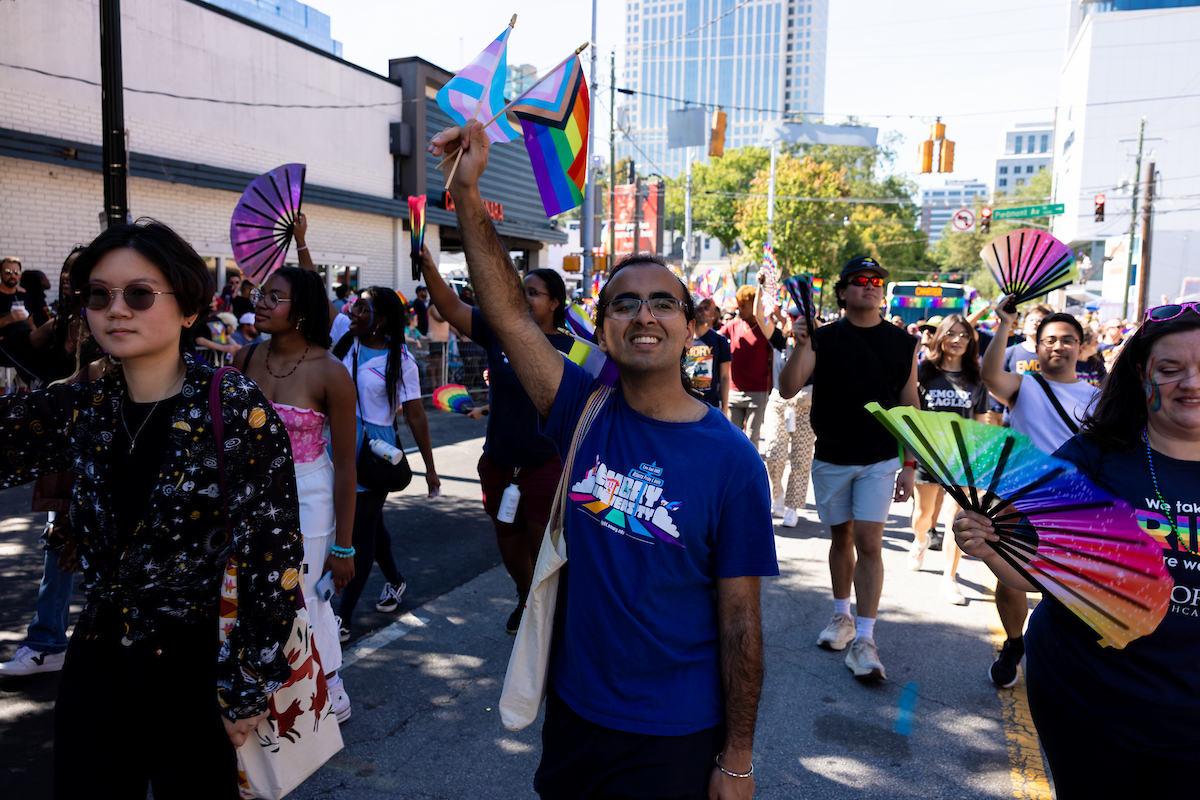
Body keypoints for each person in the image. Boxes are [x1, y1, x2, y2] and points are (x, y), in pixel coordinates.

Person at [432, 119, 777, 800]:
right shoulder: (580, 408)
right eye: (624, 303)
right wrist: (468, 194)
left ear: (690, 326)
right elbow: (506, 314)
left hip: (673, 731)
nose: (643, 315)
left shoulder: (733, 461)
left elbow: (741, 622)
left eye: (661, 303)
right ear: (604, 323)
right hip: (574, 711)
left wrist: (736, 759)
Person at [0, 219, 302, 796]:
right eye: (98, 294)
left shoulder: (231, 402)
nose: (116, 309)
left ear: (188, 309)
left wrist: (246, 685)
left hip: (193, 671)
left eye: (139, 294)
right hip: (94, 661)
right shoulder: (84, 402)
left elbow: (274, 558)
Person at [954, 301, 1200, 796]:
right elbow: (1036, 571)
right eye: (1170, 370)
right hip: (1091, 701)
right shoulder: (1093, 457)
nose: (1191, 384)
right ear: (1140, 374)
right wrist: (989, 547)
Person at [415, 248, 576, 633]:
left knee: (542, 551)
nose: (524, 296)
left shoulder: (573, 349)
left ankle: (547, 616)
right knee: (509, 543)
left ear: (554, 302)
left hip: (546, 463)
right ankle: (525, 596)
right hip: (499, 464)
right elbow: (451, 306)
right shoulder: (499, 330)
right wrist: (428, 267)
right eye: (522, 289)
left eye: (534, 292)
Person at [778, 255, 919, 681]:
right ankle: (841, 617)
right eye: (860, 280)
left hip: (879, 458)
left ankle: (865, 638)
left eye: (877, 280)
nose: (870, 285)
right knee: (841, 537)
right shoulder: (822, 339)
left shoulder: (903, 343)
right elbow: (787, 389)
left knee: (869, 541)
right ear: (843, 291)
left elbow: (909, 403)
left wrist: (909, 463)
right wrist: (802, 344)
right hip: (832, 457)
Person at [234, 267, 358, 723]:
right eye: (261, 293)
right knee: (252, 592)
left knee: (301, 594)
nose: (262, 302)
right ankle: (266, 689)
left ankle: (327, 681)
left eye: (276, 296)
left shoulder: (330, 372)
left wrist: (344, 546)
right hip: (248, 498)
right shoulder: (244, 357)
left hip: (309, 499)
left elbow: (347, 464)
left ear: (302, 308)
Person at [980, 299, 1100, 688]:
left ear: (1081, 347)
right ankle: (1014, 644)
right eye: (1049, 340)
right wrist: (1004, 323)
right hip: (1019, 498)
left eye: (1068, 340)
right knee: (1010, 577)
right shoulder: (1023, 386)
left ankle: (1059, 649)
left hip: (1074, 504)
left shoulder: (1099, 398)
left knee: (1067, 585)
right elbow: (988, 374)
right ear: (1036, 345)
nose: (1058, 346)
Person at [334, 286, 440, 641]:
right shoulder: (345, 338)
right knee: (372, 525)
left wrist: (430, 467)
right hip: (336, 445)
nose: (352, 311)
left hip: (374, 453)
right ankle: (395, 580)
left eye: (361, 307)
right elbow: (313, 289)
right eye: (353, 305)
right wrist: (301, 242)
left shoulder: (401, 360)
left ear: (380, 319)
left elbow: (415, 415)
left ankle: (343, 617)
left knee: (358, 535)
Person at [907, 315, 989, 605]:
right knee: (924, 516)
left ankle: (949, 578)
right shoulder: (924, 372)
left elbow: (980, 423)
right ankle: (919, 540)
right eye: (951, 334)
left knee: (957, 518)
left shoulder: (977, 377)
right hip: (928, 456)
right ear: (940, 337)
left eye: (964, 335)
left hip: (962, 459)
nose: (958, 340)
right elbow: (912, 414)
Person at [764, 305, 814, 529]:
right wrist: (761, 288)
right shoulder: (779, 339)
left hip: (806, 404)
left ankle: (793, 507)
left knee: (801, 460)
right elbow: (759, 316)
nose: (795, 321)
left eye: (800, 318)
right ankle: (777, 494)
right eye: (792, 317)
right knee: (774, 453)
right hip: (779, 403)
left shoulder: (817, 343)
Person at [720, 284, 779, 446]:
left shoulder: (766, 328)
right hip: (734, 391)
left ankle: (750, 470)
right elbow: (715, 338)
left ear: (755, 305)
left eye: (743, 306)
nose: (740, 310)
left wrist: (772, 387)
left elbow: (773, 358)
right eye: (738, 306)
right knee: (733, 438)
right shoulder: (733, 325)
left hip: (758, 391)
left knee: (752, 438)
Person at [685, 296, 732, 415]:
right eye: (699, 309)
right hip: (685, 405)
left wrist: (725, 408)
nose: (704, 312)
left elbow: (725, 377)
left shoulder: (719, 340)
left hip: (711, 407)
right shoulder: (682, 340)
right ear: (691, 312)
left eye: (706, 308)